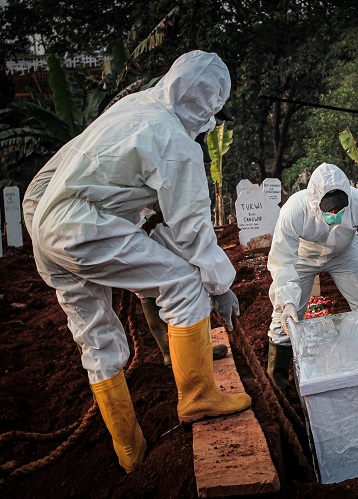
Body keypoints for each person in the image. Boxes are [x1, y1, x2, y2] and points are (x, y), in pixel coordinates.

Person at [22, 50, 251, 473]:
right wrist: (220, 286)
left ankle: (130, 451)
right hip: (84, 226)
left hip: (44, 221)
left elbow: (66, 174)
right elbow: (191, 228)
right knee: (183, 284)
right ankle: (199, 396)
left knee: (96, 338)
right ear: (207, 104)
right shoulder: (176, 143)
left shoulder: (132, 107)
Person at [266, 163, 358, 391]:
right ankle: (277, 384)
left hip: (344, 253)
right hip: (303, 256)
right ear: (315, 202)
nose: (335, 214)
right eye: (329, 210)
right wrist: (286, 301)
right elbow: (282, 259)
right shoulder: (294, 210)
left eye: (339, 208)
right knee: (285, 319)